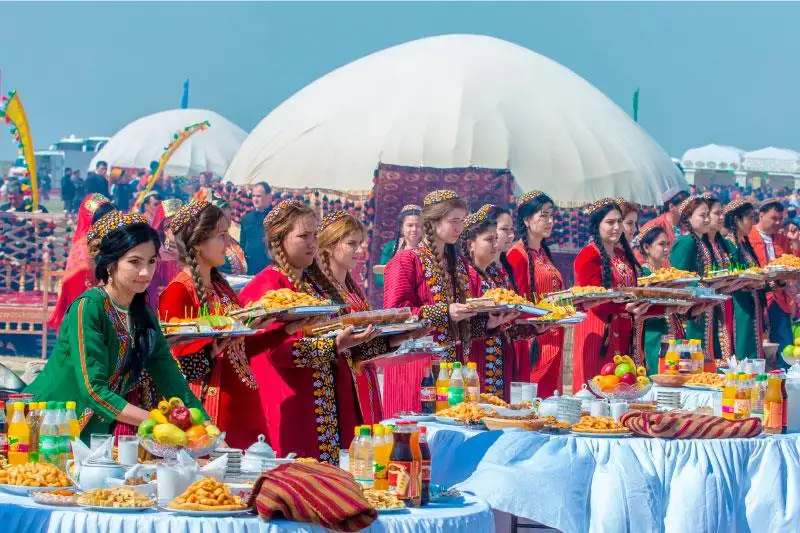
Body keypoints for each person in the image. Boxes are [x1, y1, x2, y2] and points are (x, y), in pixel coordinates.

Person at [25, 211, 206, 440]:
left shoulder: (143, 315)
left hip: (93, 433)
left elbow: (171, 379)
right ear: (110, 264)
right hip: (46, 428)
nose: (145, 272)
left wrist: (205, 428)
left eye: (151, 262)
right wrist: (160, 422)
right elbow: (94, 391)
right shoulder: (88, 307)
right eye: (134, 261)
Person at [238, 200, 380, 463]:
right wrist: (333, 346)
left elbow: (344, 344)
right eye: (303, 236)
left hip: (329, 404)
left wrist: (393, 338)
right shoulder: (266, 287)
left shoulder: (316, 286)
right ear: (279, 240)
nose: (312, 243)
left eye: (314, 235)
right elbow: (276, 351)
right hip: (291, 405)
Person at [158, 201, 288, 448]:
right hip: (210, 410)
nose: (229, 244)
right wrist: (213, 346)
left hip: (244, 403)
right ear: (197, 243)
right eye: (221, 236)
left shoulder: (222, 288)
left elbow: (242, 349)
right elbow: (175, 367)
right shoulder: (178, 291)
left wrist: (284, 328)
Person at [383, 191, 509, 415]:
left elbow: (460, 326)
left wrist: (489, 324)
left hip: (454, 371)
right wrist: (444, 312)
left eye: (461, 221)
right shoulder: (406, 261)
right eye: (453, 221)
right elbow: (395, 316)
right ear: (433, 221)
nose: (459, 228)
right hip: (417, 370)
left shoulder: (457, 264)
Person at [309, 211, 423, 425]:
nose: (361, 250)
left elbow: (364, 343)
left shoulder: (353, 289)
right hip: (340, 383)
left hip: (364, 379)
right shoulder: (319, 293)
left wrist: (397, 338)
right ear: (330, 246)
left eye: (361, 243)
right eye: (352, 244)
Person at [572, 198, 651, 391]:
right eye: (610, 222)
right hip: (599, 330)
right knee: (597, 387)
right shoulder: (588, 255)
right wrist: (627, 307)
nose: (617, 227)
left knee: (622, 389)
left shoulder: (622, 256)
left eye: (618, 221)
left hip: (623, 329)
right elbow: (594, 299)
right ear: (596, 225)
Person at [460, 205, 526, 400]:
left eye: (496, 240)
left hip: (499, 354)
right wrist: (486, 325)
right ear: (471, 244)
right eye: (489, 240)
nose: (496, 246)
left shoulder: (495, 274)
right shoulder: (464, 276)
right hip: (475, 357)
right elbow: (460, 321)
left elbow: (507, 319)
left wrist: (535, 326)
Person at [506, 191, 566, 396]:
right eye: (544, 215)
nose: (550, 221)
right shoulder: (517, 255)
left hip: (553, 337)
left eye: (552, 215)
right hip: (534, 340)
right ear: (527, 220)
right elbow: (517, 304)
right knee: (534, 398)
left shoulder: (543, 253)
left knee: (550, 399)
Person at [670, 196, 732, 362]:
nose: (706, 219)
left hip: (704, 306)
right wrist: (707, 285)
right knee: (692, 359)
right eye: (702, 215)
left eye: (707, 215)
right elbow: (678, 279)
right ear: (688, 218)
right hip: (690, 313)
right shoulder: (686, 241)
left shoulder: (700, 241)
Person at [48, 194, 117, 331]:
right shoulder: (85, 245)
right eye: (107, 219)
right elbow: (84, 276)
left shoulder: (108, 239)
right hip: (89, 301)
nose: (112, 223)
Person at [749, 198, 793, 367]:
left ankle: (787, 381)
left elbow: (792, 262)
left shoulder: (782, 239)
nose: (778, 222)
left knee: (785, 343)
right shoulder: (748, 237)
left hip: (779, 299)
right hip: (758, 297)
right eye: (774, 218)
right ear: (761, 215)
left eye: (780, 219)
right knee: (758, 341)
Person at [723, 198, 766, 360]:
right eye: (750, 218)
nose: (753, 223)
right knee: (742, 350)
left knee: (754, 350)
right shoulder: (728, 246)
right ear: (736, 219)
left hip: (752, 305)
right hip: (737, 306)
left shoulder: (744, 246)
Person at [632, 223, 678, 373]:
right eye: (661, 244)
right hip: (651, 336)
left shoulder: (669, 274)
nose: (666, 249)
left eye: (668, 244)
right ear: (646, 247)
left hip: (668, 334)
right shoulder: (642, 274)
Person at [146, 198, 183, 311]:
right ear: (164, 230)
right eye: (171, 225)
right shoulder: (158, 257)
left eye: (182, 224)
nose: (179, 229)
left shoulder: (191, 251)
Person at [375, 204, 422, 288]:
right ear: (401, 228)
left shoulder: (429, 248)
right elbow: (379, 278)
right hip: (397, 291)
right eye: (410, 225)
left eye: (418, 226)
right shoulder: (391, 247)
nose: (414, 229)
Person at [240, 182, 272, 275]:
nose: (255, 199)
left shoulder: (276, 217)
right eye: (253, 196)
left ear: (268, 197)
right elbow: (242, 244)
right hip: (250, 268)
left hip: (268, 267)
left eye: (259, 196)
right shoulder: (246, 218)